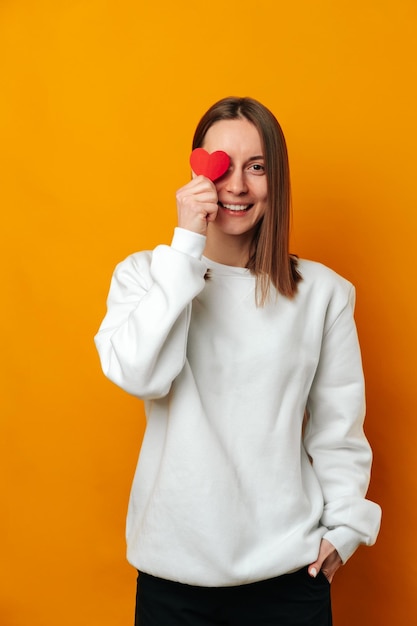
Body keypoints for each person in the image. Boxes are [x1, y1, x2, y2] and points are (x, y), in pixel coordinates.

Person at [94, 97, 381, 625]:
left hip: (290, 579)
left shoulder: (323, 293)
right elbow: (140, 375)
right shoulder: (145, 276)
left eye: (257, 167)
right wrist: (184, 247)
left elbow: (339, 430)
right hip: (173, 578)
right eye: (223, 166)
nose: (238, 187)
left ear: (278, 180)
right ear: (198, 169)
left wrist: (344, 530)